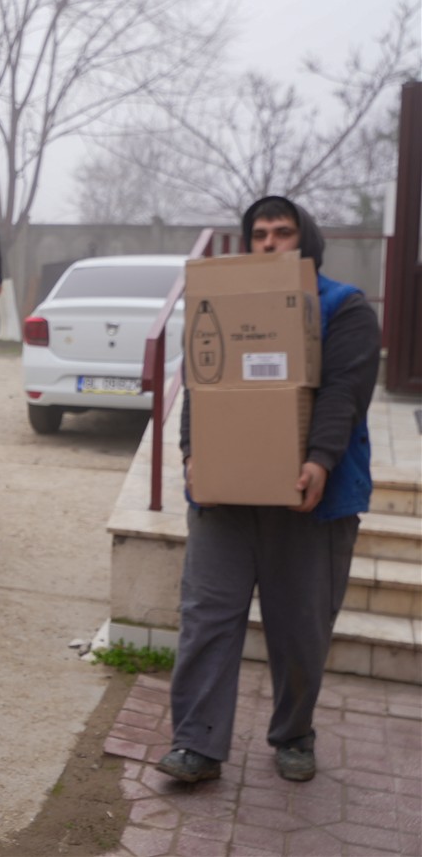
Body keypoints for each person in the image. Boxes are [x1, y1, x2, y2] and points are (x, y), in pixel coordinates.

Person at [156, 195, 381, 785]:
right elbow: (203, 383)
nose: (270, 243)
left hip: (310, 500)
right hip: (225, 498)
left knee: (301, 627)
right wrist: (192, 455)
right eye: (260, 234)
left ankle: (294, 734)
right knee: (206, 619)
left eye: (282, 232)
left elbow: (343, 394)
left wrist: (320, 461)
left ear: (306, 240)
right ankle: (196, 743)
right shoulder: (222, 302)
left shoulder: (344, 307)